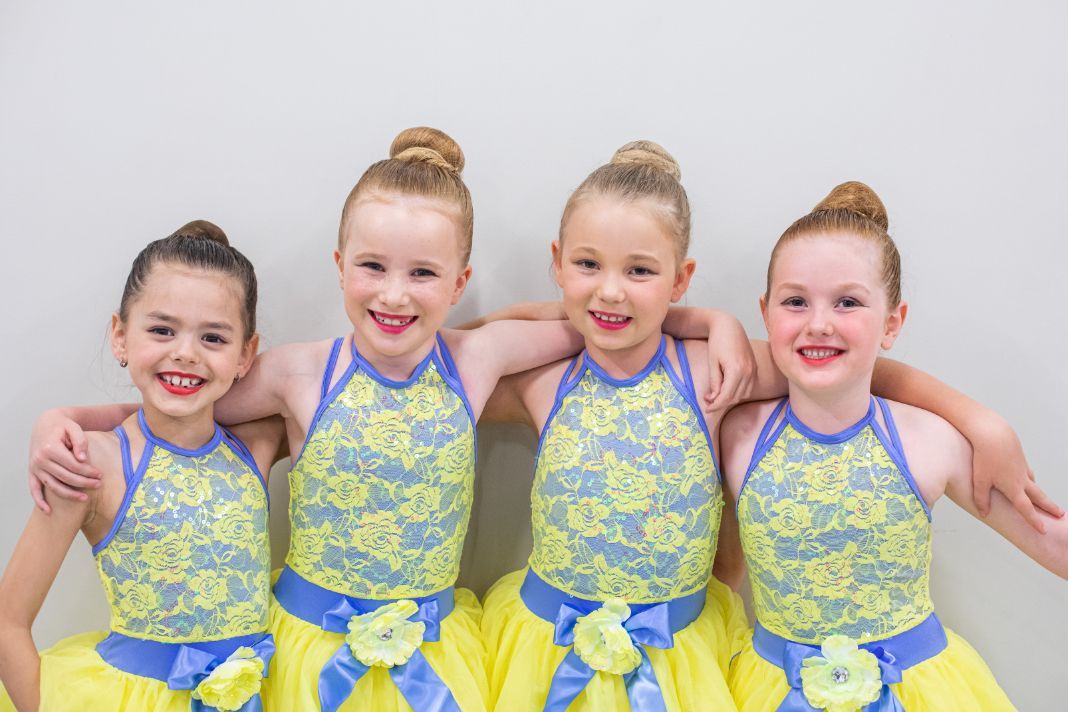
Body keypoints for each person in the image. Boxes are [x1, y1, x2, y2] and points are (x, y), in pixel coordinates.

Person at [23, 129, 752, 712]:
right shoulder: (298, 372)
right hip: (308, 651)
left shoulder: (475, 359)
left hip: (434, 650)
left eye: (425, 275)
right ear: (340, 266)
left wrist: (709, 319)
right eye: (373, 267)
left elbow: (595, 321)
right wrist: (66, 417)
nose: (395, 296)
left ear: (459, 283)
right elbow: (182, 403)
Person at [720, 182, 1068, 711]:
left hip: (919, 692)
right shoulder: (735, 434)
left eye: (848, 302)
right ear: (766, 314)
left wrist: (983, 423)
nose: (819, 322)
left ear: (892, 323)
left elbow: (1052, 538)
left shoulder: (930, 440)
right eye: (796, 301)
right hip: (768, 689)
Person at [477, 140, 779, 711]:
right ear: (557, 261)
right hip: (544, 651)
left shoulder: (708, 373)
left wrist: (978, 422)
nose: (611, 290)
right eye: (587, 264)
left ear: (680, 277)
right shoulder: (545, 381)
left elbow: (850, 371)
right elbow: (447, 352)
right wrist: (575, 312)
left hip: (678, 662)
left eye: (640, 271)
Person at [0, 222, 285, 712]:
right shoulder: (90, 464)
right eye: (161, 330)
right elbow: (7, 620)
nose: (185, 353)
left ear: (246, 354)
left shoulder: (257, 444)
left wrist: (62, 415)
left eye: (213, 337)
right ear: (121, 336)